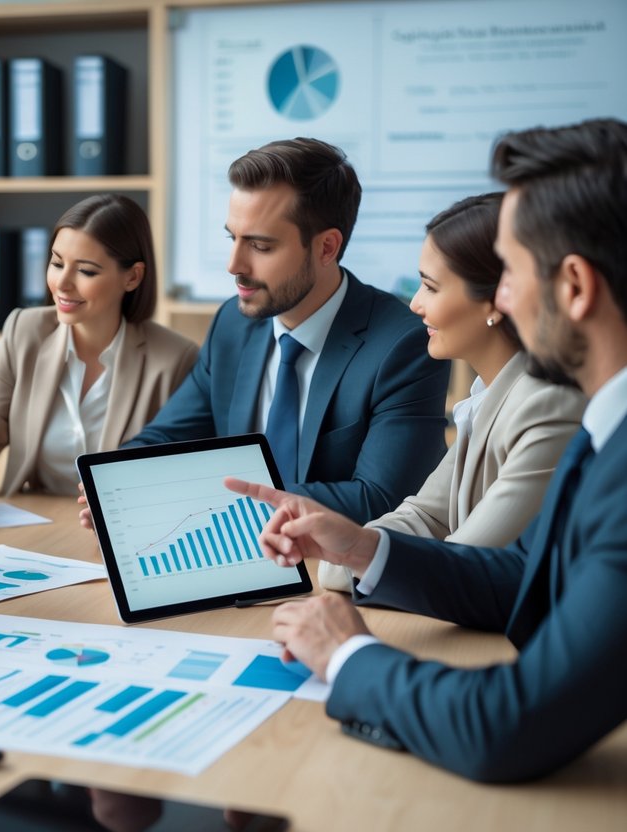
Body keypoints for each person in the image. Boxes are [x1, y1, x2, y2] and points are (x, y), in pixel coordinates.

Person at [226, 118, 627, 782]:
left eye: (511, 273)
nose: (498, 297)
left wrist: (348, 656)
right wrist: (363, 549)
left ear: (575, 287)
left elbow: (505, 725)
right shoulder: (603, 430)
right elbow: (519, 579)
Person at [118, 138, 450, 524]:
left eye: (259, 246)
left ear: (326, 247)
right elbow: (165, 438)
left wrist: (211, 498)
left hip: (338, 571)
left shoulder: (402, 345)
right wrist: (119, 484)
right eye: (232, 238)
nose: (233, 264)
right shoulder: (233, 323)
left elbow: (383, 498)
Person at [318, 193, 585, 590]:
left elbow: (462, 564)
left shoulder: (548, 404)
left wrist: (354, 556)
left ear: (497, 300)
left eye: (430, 287)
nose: (414, 304)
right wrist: (348, 554)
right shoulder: (490, 392)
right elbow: (427, 516)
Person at [0, 194, 198, 517]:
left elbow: (181, 475)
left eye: (86, 271)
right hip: (34, 525)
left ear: (132, 277)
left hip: (119, 529)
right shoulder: (24, 331)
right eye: (57, 263)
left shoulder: (174, 359)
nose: (62, 284)